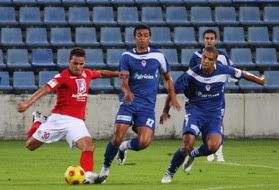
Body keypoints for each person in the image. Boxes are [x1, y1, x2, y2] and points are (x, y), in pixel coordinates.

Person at [16, 47, 127, 184]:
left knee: (88, 145)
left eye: (81, 64)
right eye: (75, 63)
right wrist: (27, 104)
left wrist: (117, 74)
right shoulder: (62, 77)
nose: (78, 67)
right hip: (58, 119)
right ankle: (38, 122)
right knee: (30, 146)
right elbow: (45, 89)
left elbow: (101, 73)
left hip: (76, 121)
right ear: (69, 62)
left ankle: (87, 176)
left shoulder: (86, 73)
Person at [160, 46, 264, 184]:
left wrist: (259, 79)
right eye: (204, 58)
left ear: (215, 60)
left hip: (213, 115)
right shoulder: (192, 74)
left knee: (214, 145)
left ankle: (193, 155)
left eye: (210, 59)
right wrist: (165, 111)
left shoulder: (224, 70)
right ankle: (170, 173)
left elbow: (243, 74)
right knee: (187, 144)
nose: (206, 61)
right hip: (195, 112)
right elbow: (173, 90)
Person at [97, 24, 181, 184]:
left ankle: (124, 147)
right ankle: (105, 169)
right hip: (129, 103)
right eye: (139, 35)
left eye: (145, 35)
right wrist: (127, 91)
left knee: (144, 142)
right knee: (116, 137)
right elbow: (123, 79)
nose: (142, 38)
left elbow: (168, 80)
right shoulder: (127, 56)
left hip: (147, 107)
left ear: (149, 38)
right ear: (135, 37)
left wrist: (172, 98)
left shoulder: (158, 57)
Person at [189, 29, 235, 162]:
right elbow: (190, 76)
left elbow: (231, 72)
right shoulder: (196, 56)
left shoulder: (223, 57)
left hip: (217, 97)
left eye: (212, 38)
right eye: (207, 38)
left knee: (219, 121)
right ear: (203, 40)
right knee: (205, 123)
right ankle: (209, 150)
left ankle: (219, 151)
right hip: (201, 98)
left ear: (215, 40)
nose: (209, 40)